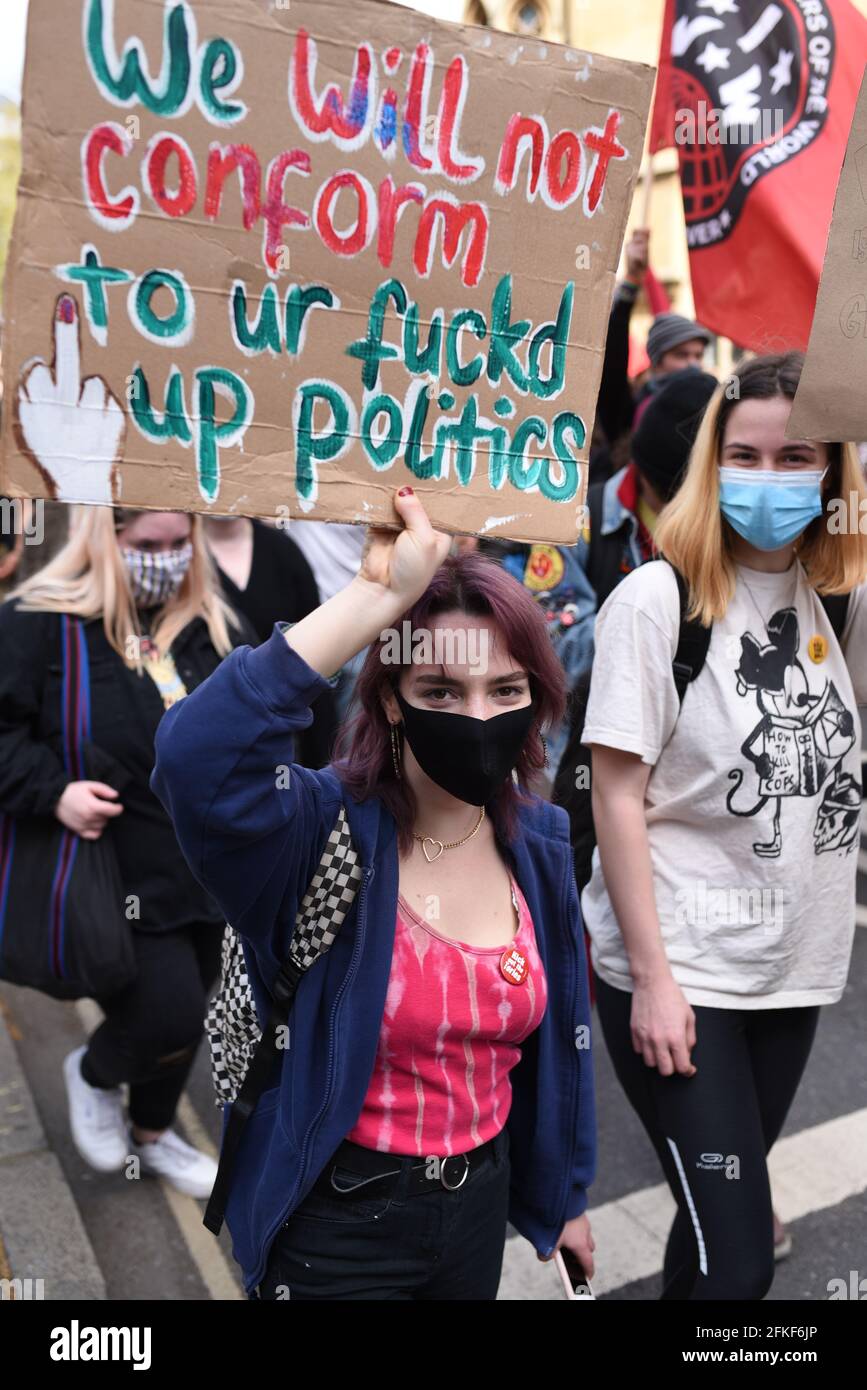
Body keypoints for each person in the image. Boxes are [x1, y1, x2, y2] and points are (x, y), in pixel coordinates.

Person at [152, 487, 596, 1300]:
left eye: (505, 691)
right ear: (389, 699)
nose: (478, 716)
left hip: (474, 1215)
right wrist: (377, 596)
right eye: (440, 691)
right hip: (338, 1227)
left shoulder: (537, 840)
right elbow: (195, 760)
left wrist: (562, 1196)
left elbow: (557, 1038)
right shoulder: (316, 829)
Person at [581, 351, 867, 1299]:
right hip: (681, 982)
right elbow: (615, 797)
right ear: (711, 465)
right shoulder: (656, 603)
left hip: (790, 975)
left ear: (832, 470)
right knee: (739, 1263)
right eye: (745, 457)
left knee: (709, 1236)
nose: (771, 479)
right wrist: (657, 985)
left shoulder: (842, 603)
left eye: (797, 459)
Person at [0, 505, 249, 1197]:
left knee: (192, 1005)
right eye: (146, 543)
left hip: (205, 870)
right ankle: (91, 1071)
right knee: (163, 1013)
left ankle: (152, 1134)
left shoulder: (208, 618)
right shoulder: (38, 622)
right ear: (104, 536)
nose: (165, 558)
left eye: (178, 542)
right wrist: (53, 791)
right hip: (111, 873)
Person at [203, 513, 338, 766]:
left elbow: (318, 656)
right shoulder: (178, 558)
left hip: (286, 736)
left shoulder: (283, 551)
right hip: (214, 741)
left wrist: (323, 762)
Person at [578, 368, 720, 609]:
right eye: (670, 499)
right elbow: (554, 625)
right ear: (641, 473)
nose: (684, 512)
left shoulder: (732, 526)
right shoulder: (584, 516)